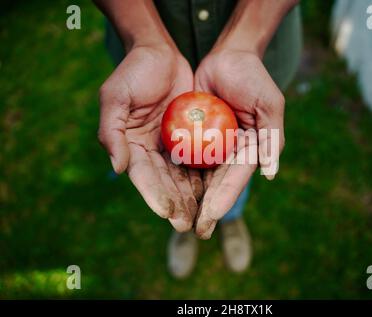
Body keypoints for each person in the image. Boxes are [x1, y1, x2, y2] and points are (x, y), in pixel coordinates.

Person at [94, 0, 301, 278]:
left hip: (254, 56)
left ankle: (230, 217)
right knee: (172, 186)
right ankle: (185, 228)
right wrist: (145, 39)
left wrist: (245, 42)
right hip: (151, 54)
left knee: (242, 153)